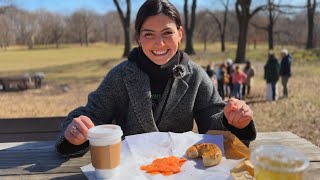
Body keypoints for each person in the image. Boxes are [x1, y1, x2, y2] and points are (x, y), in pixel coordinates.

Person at [55, 0, 256, 158]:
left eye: (167, 33)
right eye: (149, 34)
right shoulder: (121, 76)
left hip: (181, 169)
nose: (159, 43)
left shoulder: (195, 76)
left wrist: (233, 121)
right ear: (138, 38)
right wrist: (76, 132)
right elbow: (92, 114)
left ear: (180, 34)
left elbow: (212, 122)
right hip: (130, 170)